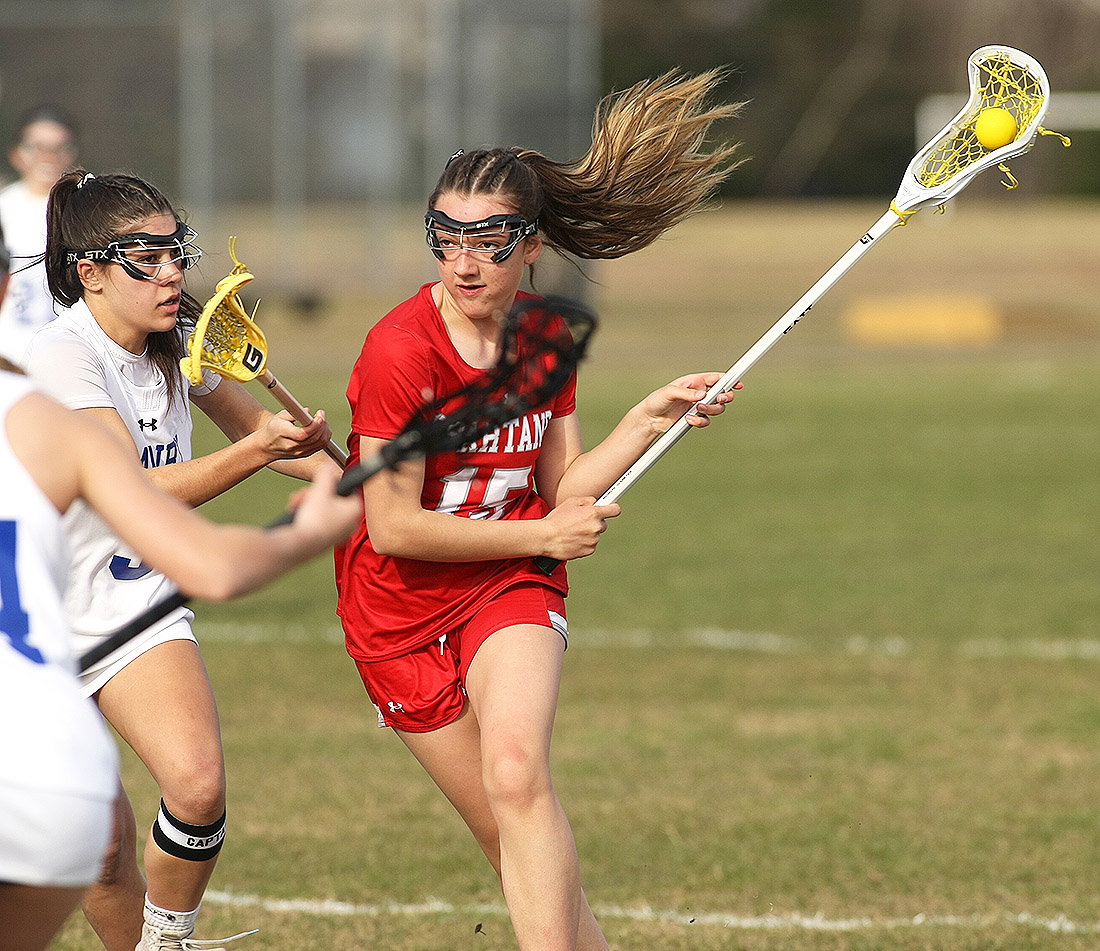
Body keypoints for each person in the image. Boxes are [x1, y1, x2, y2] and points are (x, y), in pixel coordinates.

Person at [335, 68, 745, 951]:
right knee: (516, 845)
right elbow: (391, 526)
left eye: (488, 239)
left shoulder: (547, 335)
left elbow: (566, 487)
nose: (464, 261)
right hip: (397, 612)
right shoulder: (398, 351)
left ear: (531, 246)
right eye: (446, 237)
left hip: (508, 584)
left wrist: (649, 417)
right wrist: (546, 530)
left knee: (519, 775)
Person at [0, 220, 362, 951]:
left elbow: (262, 441)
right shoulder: (58, 364)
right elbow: (142, 492)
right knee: (93, 845)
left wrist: (361, 482)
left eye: (175, 254)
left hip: (125, 603)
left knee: (195, 787)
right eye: (147, 259)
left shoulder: (173, 345)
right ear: (89, 273)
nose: (170, 274)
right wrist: (274, 478)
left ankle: (165, 942)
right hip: (31, 638)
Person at [0, 105, 78, 364]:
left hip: (67, 354)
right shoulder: (5, 208)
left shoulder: (82, 211)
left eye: (58, 148)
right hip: (10, 354)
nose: (48, 157)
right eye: (37, 147)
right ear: (17, 153)